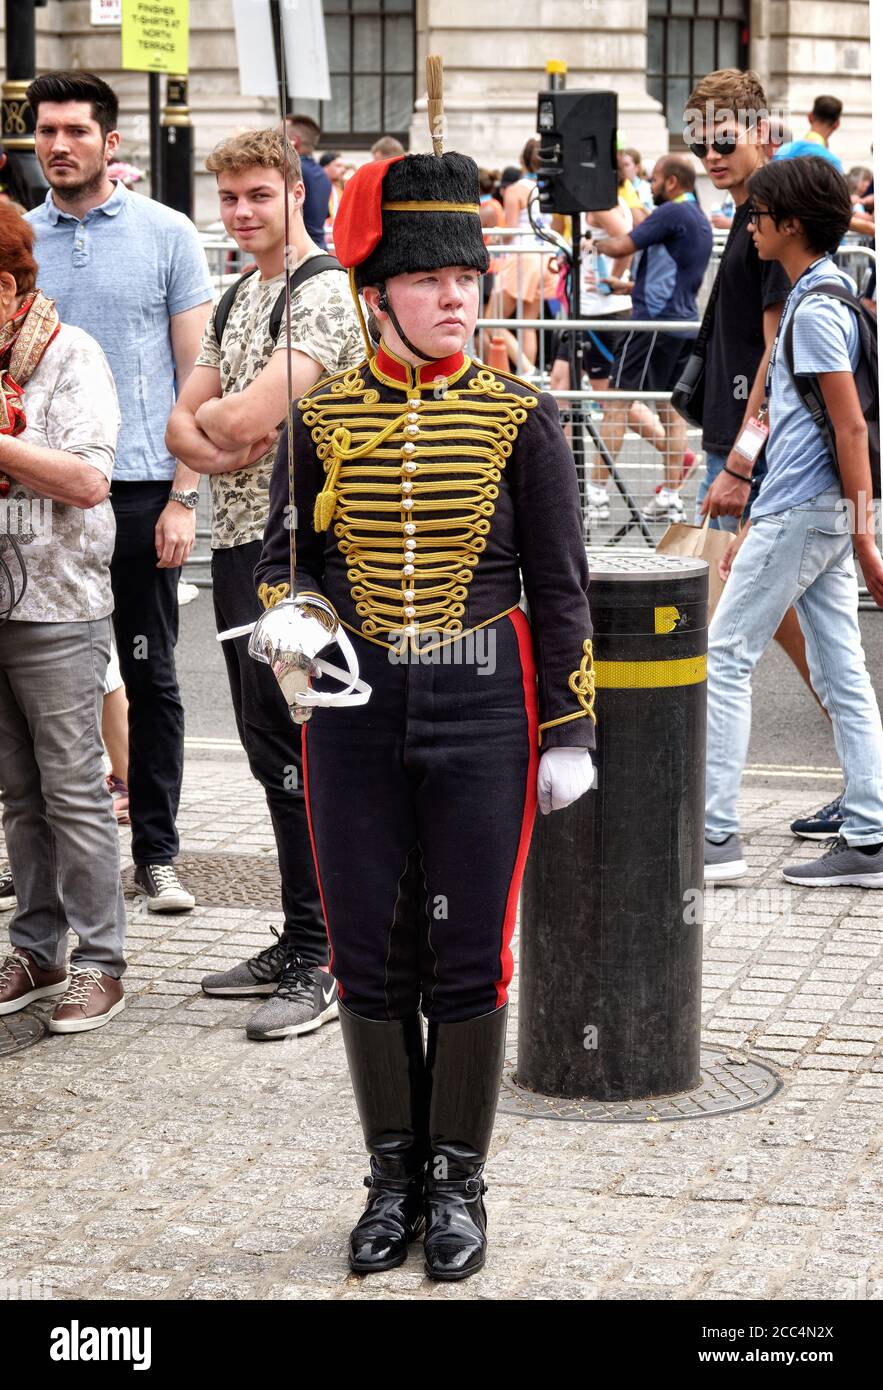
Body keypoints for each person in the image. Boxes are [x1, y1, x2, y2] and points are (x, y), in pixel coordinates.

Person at [255, 149, 596, 1280]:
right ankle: (388, 1176)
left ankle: (457, 1183)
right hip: (353, 717)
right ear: (379, 293)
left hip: (485, 714)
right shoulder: (322, 419)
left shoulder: (520, 418)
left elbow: (560, 589)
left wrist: (569, 730)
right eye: (431, 279)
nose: (456, 296)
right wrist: (293, 629)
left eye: (467, 276)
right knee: (365, 953)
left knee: (467, 957)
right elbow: (282, 565)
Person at [166, 129, 363, 1040]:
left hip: (305, 552)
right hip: (243, 547)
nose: (241, 213)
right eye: (230, 198)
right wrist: (230, 432)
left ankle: (328, 956)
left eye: (257, 195)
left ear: (296, 192)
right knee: (268, 751)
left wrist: (230, 426)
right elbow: (187, 427)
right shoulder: (243, 290)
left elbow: (240, 415)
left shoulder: (321, 293)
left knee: (308, 747)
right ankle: (298, 935)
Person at [25, 70, 213, 913]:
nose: (59, 145)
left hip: (139, 489)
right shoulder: (16, 240)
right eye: (46, 130)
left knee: (150, 677)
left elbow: (195, 376)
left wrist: (184, 496)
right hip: (36, 492)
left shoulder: (169, 234)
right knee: (31, 682)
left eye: (75, 130)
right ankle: (34, 859)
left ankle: (158, 852)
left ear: (111, 142)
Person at [703, 156, 883, 890]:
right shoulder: (828, 294)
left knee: (722, 660)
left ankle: (714, 835)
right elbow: (790, 415)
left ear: (791, 225)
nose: (748, 224)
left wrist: (864, 536)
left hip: (804, 513)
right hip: (811, 512)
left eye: (758, 214)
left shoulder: (811, 309)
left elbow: (848, 429)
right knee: (840, 669)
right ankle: (870, 834)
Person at [686, 68, 839, 837]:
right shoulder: (746, 216)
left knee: (740, 635)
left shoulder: (769, 222)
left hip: (753, 455)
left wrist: (742, 462)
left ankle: (709, 826)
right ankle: (862, 770)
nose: (709, 154)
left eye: (721, 139)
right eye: (698, 142)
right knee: (798, 624)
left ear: (757, 130)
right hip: (737, 446)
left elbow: (780, 366)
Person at [0, 205, 127, 1033]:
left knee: (75, 789)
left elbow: (87, 481)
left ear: (7, 288)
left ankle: (102, 960)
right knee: (18, 793)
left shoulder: (69, 354)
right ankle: (37, 949)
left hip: (59, 604)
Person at [588, 155, 712, 522]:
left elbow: (622, 244)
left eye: (654, 178)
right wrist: (626, 285)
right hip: (681, 324)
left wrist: (589, 245)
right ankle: (671, 496)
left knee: (617, 404)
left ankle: (594, 493)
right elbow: (671, 272)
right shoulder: (697, 216)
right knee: (670, 411)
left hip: (651, 326)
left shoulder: (672, 212)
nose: (649, 183)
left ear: (672, 182)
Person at [497, 138, 559, 368]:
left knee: (491, 320)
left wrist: (495, 236)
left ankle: (527, 368)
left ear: (522, 160)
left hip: (522, 255)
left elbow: (510, 231)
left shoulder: (515, 190)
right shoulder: (550, 189)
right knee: (527, 323)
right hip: (544, 255)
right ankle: (529, 374)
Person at [283, 115, 332, 248]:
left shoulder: (293, 171)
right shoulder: (322, 173)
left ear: (294, 142)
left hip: (296, 255)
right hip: (317, 251)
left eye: (277, 138)